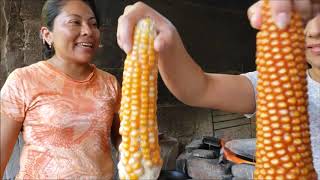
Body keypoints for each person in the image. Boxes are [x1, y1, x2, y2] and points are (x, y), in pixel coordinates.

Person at [116, 0, 320, 176]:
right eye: (306, 20)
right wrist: (167, 38)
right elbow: (199, 89)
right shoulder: (273, 86)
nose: (314, 30)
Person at [0, 0, 121, 179]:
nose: (88, 31)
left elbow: (123, 139)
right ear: (47, 35)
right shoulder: (23, 81)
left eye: (93, 24)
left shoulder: (109, 83)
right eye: (75, 22)